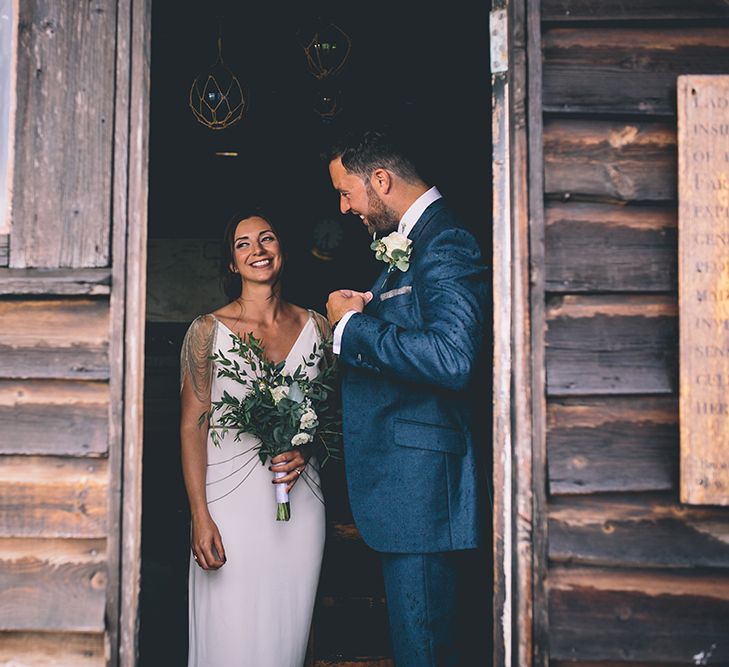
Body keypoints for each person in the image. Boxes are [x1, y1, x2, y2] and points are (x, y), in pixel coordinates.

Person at [325, 129, 489, 666]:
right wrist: (371, 308)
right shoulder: (417, 243)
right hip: (410, 494)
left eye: (347, 192)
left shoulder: (446, 241)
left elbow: (452, 357)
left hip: (422, 497)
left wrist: (352, 329)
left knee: (426, 653)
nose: (344, 207)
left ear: (381, 180)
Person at [180, 212, 331, 667]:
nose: (258, 250)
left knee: (287, 635)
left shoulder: (319, 327)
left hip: (300, 503)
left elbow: (333, 414)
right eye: (244, 244)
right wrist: (199, 516)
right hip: (228, 505)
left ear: (283, 248)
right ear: (232, 263)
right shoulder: (206, 332)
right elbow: (192, 426)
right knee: (230, 631)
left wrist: (306, 447)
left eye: (267, 239)